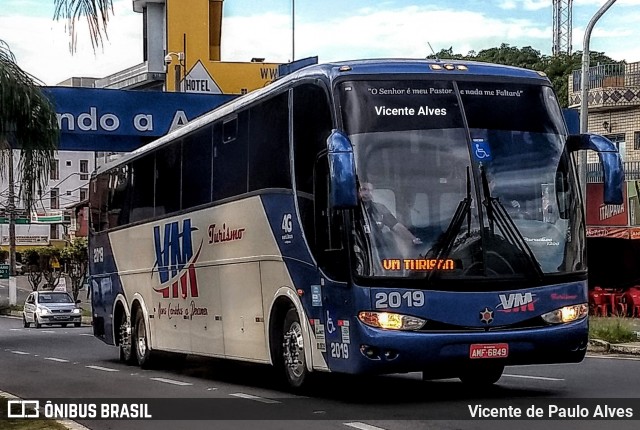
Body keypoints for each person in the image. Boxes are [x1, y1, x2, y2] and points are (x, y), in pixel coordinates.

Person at [358, 182, 422, 246]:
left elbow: (396, 226)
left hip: (376, 249)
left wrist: (413, 239)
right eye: (364, 189)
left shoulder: (379, 209)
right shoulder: (351, 209)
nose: (366, 193)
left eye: (370, 190)